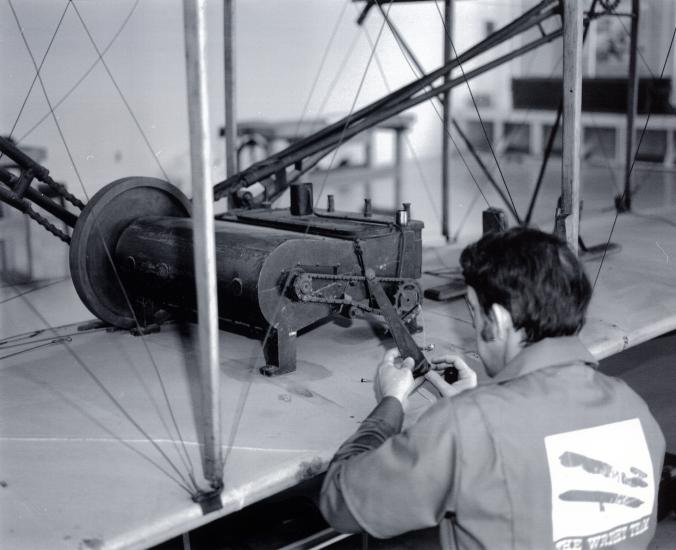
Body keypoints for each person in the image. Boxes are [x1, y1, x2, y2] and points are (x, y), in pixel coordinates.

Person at [320, 227, 666, 549]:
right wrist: (476, 404)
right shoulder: (635, 409)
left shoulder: (468, 427)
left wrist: (391, 402)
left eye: (473, 312)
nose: (473, 324)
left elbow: (339, 502)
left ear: (498, 320)